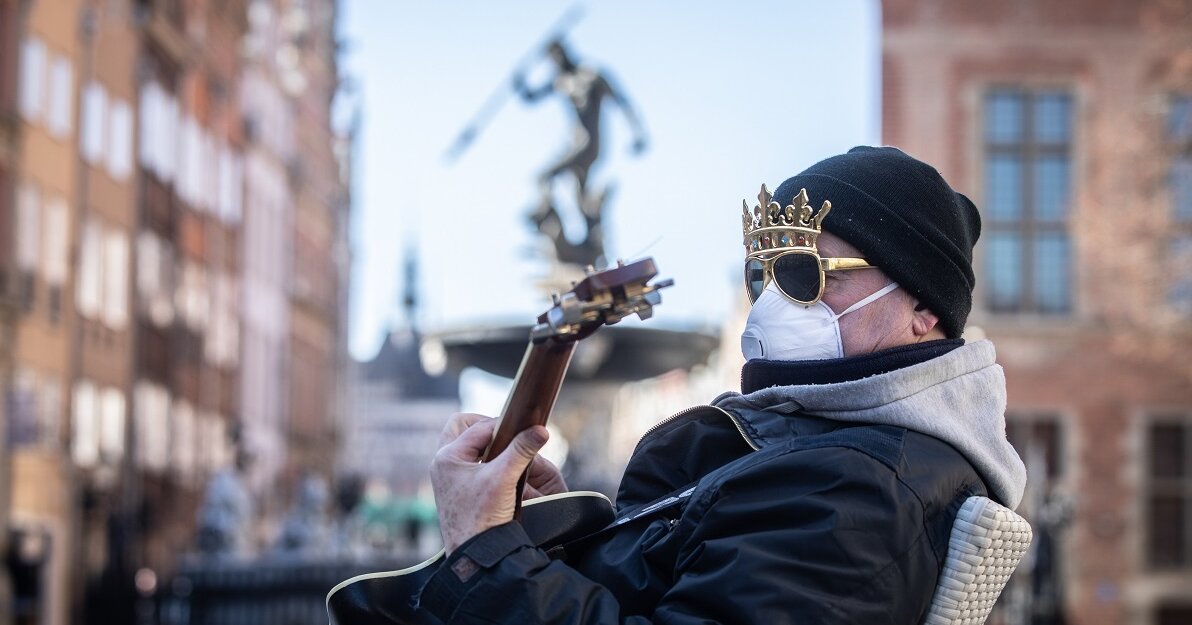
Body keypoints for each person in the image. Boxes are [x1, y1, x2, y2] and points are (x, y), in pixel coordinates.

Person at [422, 146, 1028, 624]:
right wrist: (556, 525)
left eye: (800, 272)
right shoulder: (823, 445)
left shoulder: (854, 486)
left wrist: (486, 551)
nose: (771, 300)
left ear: (922, 308)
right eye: (759, 276)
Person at [514, 39, 649, 267]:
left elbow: (622, 101)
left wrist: (638, 133)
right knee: (582, 200)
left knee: (544, 177)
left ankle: (542, 212)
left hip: (586, 146)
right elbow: (530, 97)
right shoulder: (561, 81)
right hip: (575, 145)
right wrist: (519, 80)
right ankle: (592, 251)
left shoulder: (591, 75)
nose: (556, 62)